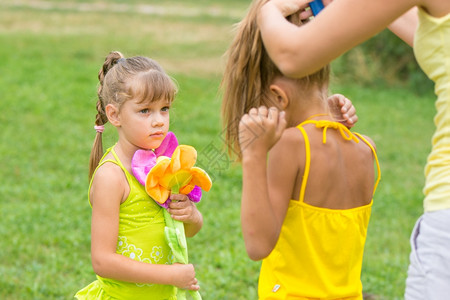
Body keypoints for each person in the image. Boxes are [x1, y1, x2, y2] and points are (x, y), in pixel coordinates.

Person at [257, 0, 450, 298]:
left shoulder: (291, 146)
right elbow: (429, 32)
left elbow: (292, 55)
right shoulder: (362, 150)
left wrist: (266, 11)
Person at [221, 1, 381, 298]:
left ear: (278, 97)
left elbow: (257, 245)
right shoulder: (365, 150)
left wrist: (255, 156)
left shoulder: (292, 145)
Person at [75, 51, 202, 299]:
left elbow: (187, 230)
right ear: (114, 115)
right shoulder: (112, 176)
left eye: (164, 109)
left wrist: (192, 215)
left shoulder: (164, 165)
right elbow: (102, 261)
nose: (158, 121)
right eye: (145, 111)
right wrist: (171, 276)